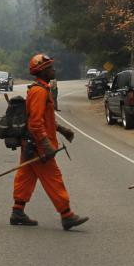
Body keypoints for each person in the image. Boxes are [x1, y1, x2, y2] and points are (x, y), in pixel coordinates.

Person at [11, 54, 88, 230]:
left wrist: (62, 129)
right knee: (54, 179)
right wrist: (45, 145)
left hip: (30, 144)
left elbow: (46, 119)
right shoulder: (39, 91)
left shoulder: (41, 89)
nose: (54, 70)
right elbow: (36, 123)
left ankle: (18, 211)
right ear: (43, 71)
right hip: (38, 146)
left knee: (26, 176)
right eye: (50, 68)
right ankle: (67, 215)